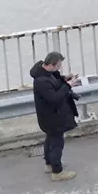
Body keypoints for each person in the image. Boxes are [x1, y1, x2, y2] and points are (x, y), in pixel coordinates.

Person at [31, 51, 79, 182]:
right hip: (53, 118)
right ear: (52, 65)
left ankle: (49, 164)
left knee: (50, 140)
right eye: (58, 65)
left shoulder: (44, 73)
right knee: (57, 143)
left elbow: (54, 82)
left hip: (48, 117)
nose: (59, 68)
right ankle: (57, 172)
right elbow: (54, 98)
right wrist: (68, 85)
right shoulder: (42, 81)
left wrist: (64, 79)